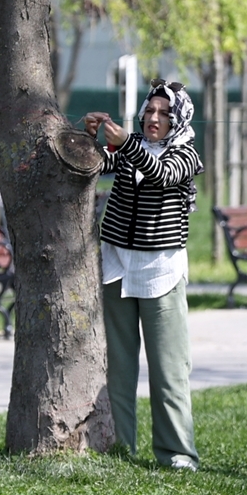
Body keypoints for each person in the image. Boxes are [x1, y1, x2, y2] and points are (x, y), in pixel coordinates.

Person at [81, 79, 203, 471]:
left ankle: (177, 454)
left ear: (178, 119)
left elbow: (161, 174)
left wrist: (126, 143)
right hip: (117, 265)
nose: (154, 118)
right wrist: (88, 137)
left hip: (160, 272)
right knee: (119, 368)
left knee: (169, 372)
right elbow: (95, 163)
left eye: (164, 114)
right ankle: (121, 450)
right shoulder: (130, 150)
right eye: (149, 111)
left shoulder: (186, 156)